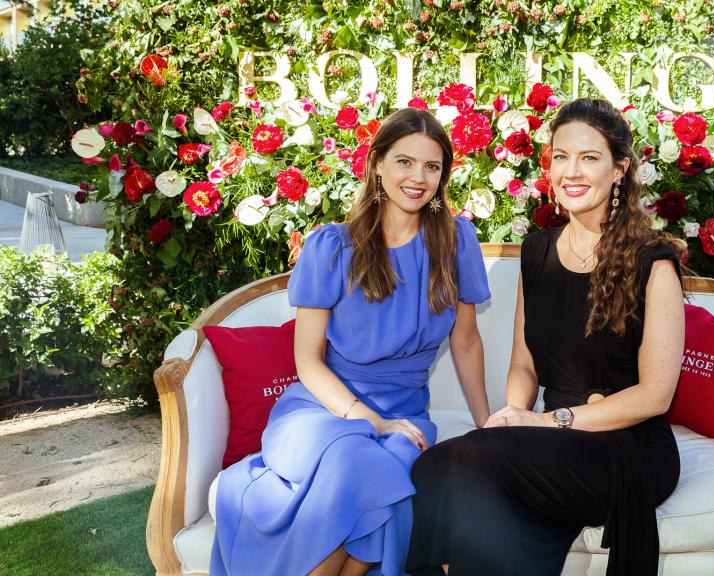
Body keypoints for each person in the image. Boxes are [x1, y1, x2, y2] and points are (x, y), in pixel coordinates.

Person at [406, 98, 686, 576]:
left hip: (627, 447)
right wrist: (515, 412)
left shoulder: (652, 262)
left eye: (589, 158)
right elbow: (524, 364)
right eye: (561, 157)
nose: (571, 172)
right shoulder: (536, 251)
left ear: (620, 169)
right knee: (435, 467)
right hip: (557, 439)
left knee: (475, 461)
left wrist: (550, 421)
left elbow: (655, 397)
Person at [210, 107, 491, 576]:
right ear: (377, 163)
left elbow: (466, 342)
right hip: (322, 411)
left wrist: (487, 426)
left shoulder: (457, 242)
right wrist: (370, 421)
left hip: (404, 416)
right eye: (404, 161)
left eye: (432, 166)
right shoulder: (332, 247)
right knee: (357, 463)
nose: (418, 177)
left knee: (391, 469)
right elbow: (308, 361)